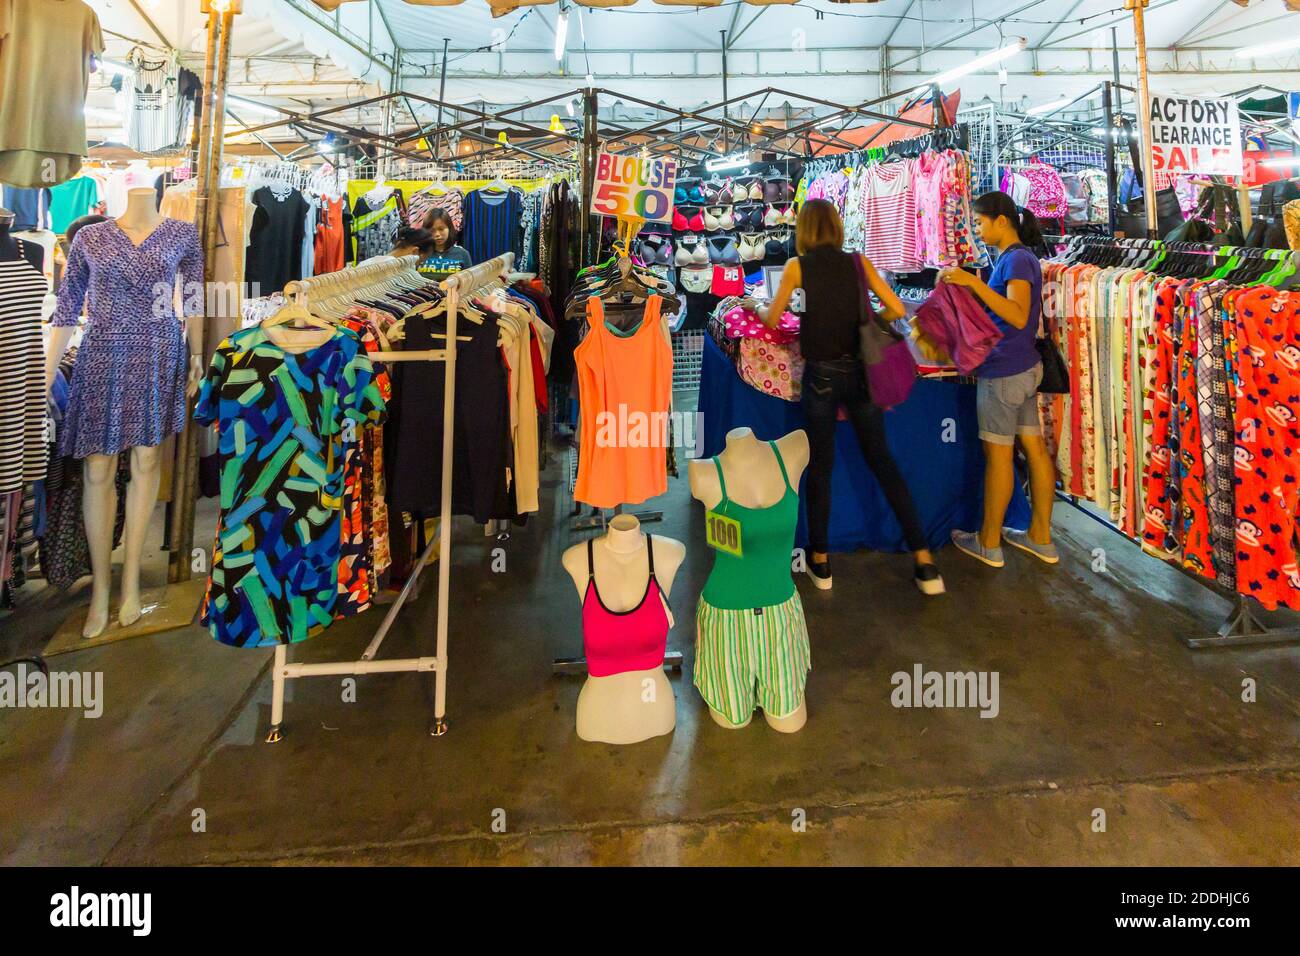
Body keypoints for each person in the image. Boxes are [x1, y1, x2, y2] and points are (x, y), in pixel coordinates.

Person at [756, 199, 944, 596]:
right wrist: (862, 318)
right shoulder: (859, 263)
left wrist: (759, 306)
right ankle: (925, 560)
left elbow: (773, 318)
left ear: (804, 231)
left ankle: (820, 561)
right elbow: (894, 307)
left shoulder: (796, 268)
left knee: (821, 466)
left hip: (821, 378)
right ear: (837, 228)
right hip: (861, 374)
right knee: (883, 461)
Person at [939, 190, 1057, 569]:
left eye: (979, 222)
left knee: (1000, 456)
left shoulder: (1018, 260)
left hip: (1006, 371)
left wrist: (973, 285)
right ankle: (1040, 537)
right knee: (1034, 451)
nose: (976, 229)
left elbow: (1018, 315)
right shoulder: (1018, 259)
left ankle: (989, 543)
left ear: (1000, 221)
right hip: (1022, 368)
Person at [417, 209, 472, 279]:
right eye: (432, 231)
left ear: (449, 228)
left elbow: (469, 282)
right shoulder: (418, 254)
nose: (437, 234)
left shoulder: (463, 254)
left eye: (441, 229)